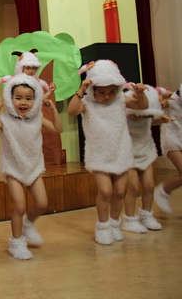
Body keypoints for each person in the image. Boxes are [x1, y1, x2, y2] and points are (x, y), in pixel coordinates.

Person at [67, 60, 148, 245]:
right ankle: (102, 226)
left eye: (111, 92)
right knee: (105, 191)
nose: (107, 97)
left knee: (119, 192)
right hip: (99, 154)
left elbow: (142, 106)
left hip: (120, 151)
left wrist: (141, 93)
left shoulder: (120, 100)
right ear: (93, 89)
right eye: (102, 92)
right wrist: (81, 89)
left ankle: (114, 223)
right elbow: (72, 111)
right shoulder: (87, 103)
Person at [0, 74, 62, 259]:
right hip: (13, 168)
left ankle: (28, 224)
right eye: (18, 98)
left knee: (42, 203)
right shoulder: (5, 119)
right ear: (10, 99)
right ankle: (17, 242)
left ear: (35, 100)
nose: (23, 102)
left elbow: (57, 129)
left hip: (33, 167)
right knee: (19, 206)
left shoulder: (38, 117)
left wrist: (53, 110)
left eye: (28, 98)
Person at [122, 85, 168, 233]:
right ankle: (129, 219)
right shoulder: (124, 113)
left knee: (149, 185)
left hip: (145, 150)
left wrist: (160, 120)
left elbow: (152, 121)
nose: (141, 117)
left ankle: (146, 215)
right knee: (133, 187)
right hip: (128, 152)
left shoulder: (148, 114)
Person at [154, 85, 182, 214]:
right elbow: (153, 109)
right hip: (172, 140)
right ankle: (163, 191)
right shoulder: (172, 99)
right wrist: (160, 99)